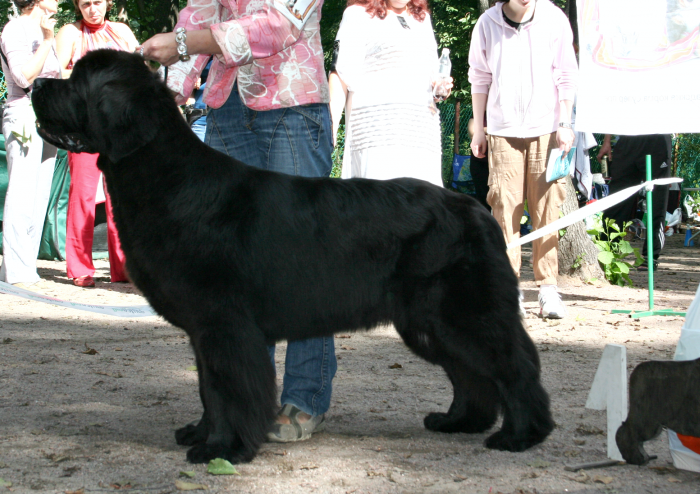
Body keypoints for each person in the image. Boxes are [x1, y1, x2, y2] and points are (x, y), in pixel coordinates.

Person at [140, 0, 336, 443]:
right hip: (226, 110)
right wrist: (173, 85)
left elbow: (276, 26)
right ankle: (243, 405)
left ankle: (306, 397)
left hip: (291, 107)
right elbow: (200, 11)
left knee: (301, 265)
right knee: (234, 276)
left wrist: (183, 43)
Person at [468, 0, 577, 319]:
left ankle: (548, 290)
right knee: (504, 211)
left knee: (547, 209)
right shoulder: (487, 24)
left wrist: (566, 122)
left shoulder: (554, 19)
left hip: (547, 129)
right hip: (502, 132)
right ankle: (508, 290)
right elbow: (479, 78)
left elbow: (567, 75)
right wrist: (479, 130)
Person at [56, 0, 137, 287]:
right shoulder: (69, 33)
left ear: (108, 3)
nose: (93, 8)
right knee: (82, 196)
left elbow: (139, 71)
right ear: (78, 6)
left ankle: (124, 266)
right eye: (86, 3)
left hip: (119, 125)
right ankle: (79, 267)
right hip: (84, 127)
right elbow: (55, 73)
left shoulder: (122, 32)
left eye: (98, 2)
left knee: (122, 196)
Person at [329, 0, 452, 186]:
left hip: (421, 137)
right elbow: (340, 75)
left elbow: (433, 77)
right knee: (378, 207)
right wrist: (329, 130)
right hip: (378, 137)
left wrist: (440, 89)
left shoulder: (422, 19)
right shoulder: (357, 14)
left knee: (422, 209)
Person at [0, 0, 61, 289]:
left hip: (48, 116)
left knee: (39, 193)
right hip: (24, 113)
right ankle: (14, 270)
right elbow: (23, 76)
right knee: (22, 189)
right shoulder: (16, 29)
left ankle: (27, 265)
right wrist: (47, 41)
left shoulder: (44, 28)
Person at [597, 134, 672, 270]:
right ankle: (608, 249)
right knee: (617, 199)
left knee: (657, 200)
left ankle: (651, 256)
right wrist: (607, 141)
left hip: (657, 139)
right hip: (628, 138)